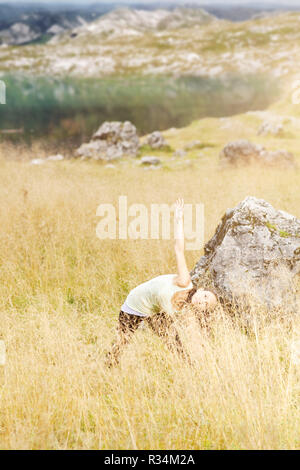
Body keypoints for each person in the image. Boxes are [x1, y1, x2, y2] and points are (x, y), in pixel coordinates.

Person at [106, 199, 218, 367]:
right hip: (136, 304)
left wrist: (206, 356)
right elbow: (179, 249)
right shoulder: (184, 281)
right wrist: (178, 219)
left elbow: (194, 335)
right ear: (200, 289)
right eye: (205, 296)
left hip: (156, 311)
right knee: (122, 341)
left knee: (175, 343)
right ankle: (108, 366)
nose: (202, 301)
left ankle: (191, 369)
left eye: (205, 305)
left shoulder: (187, 313)